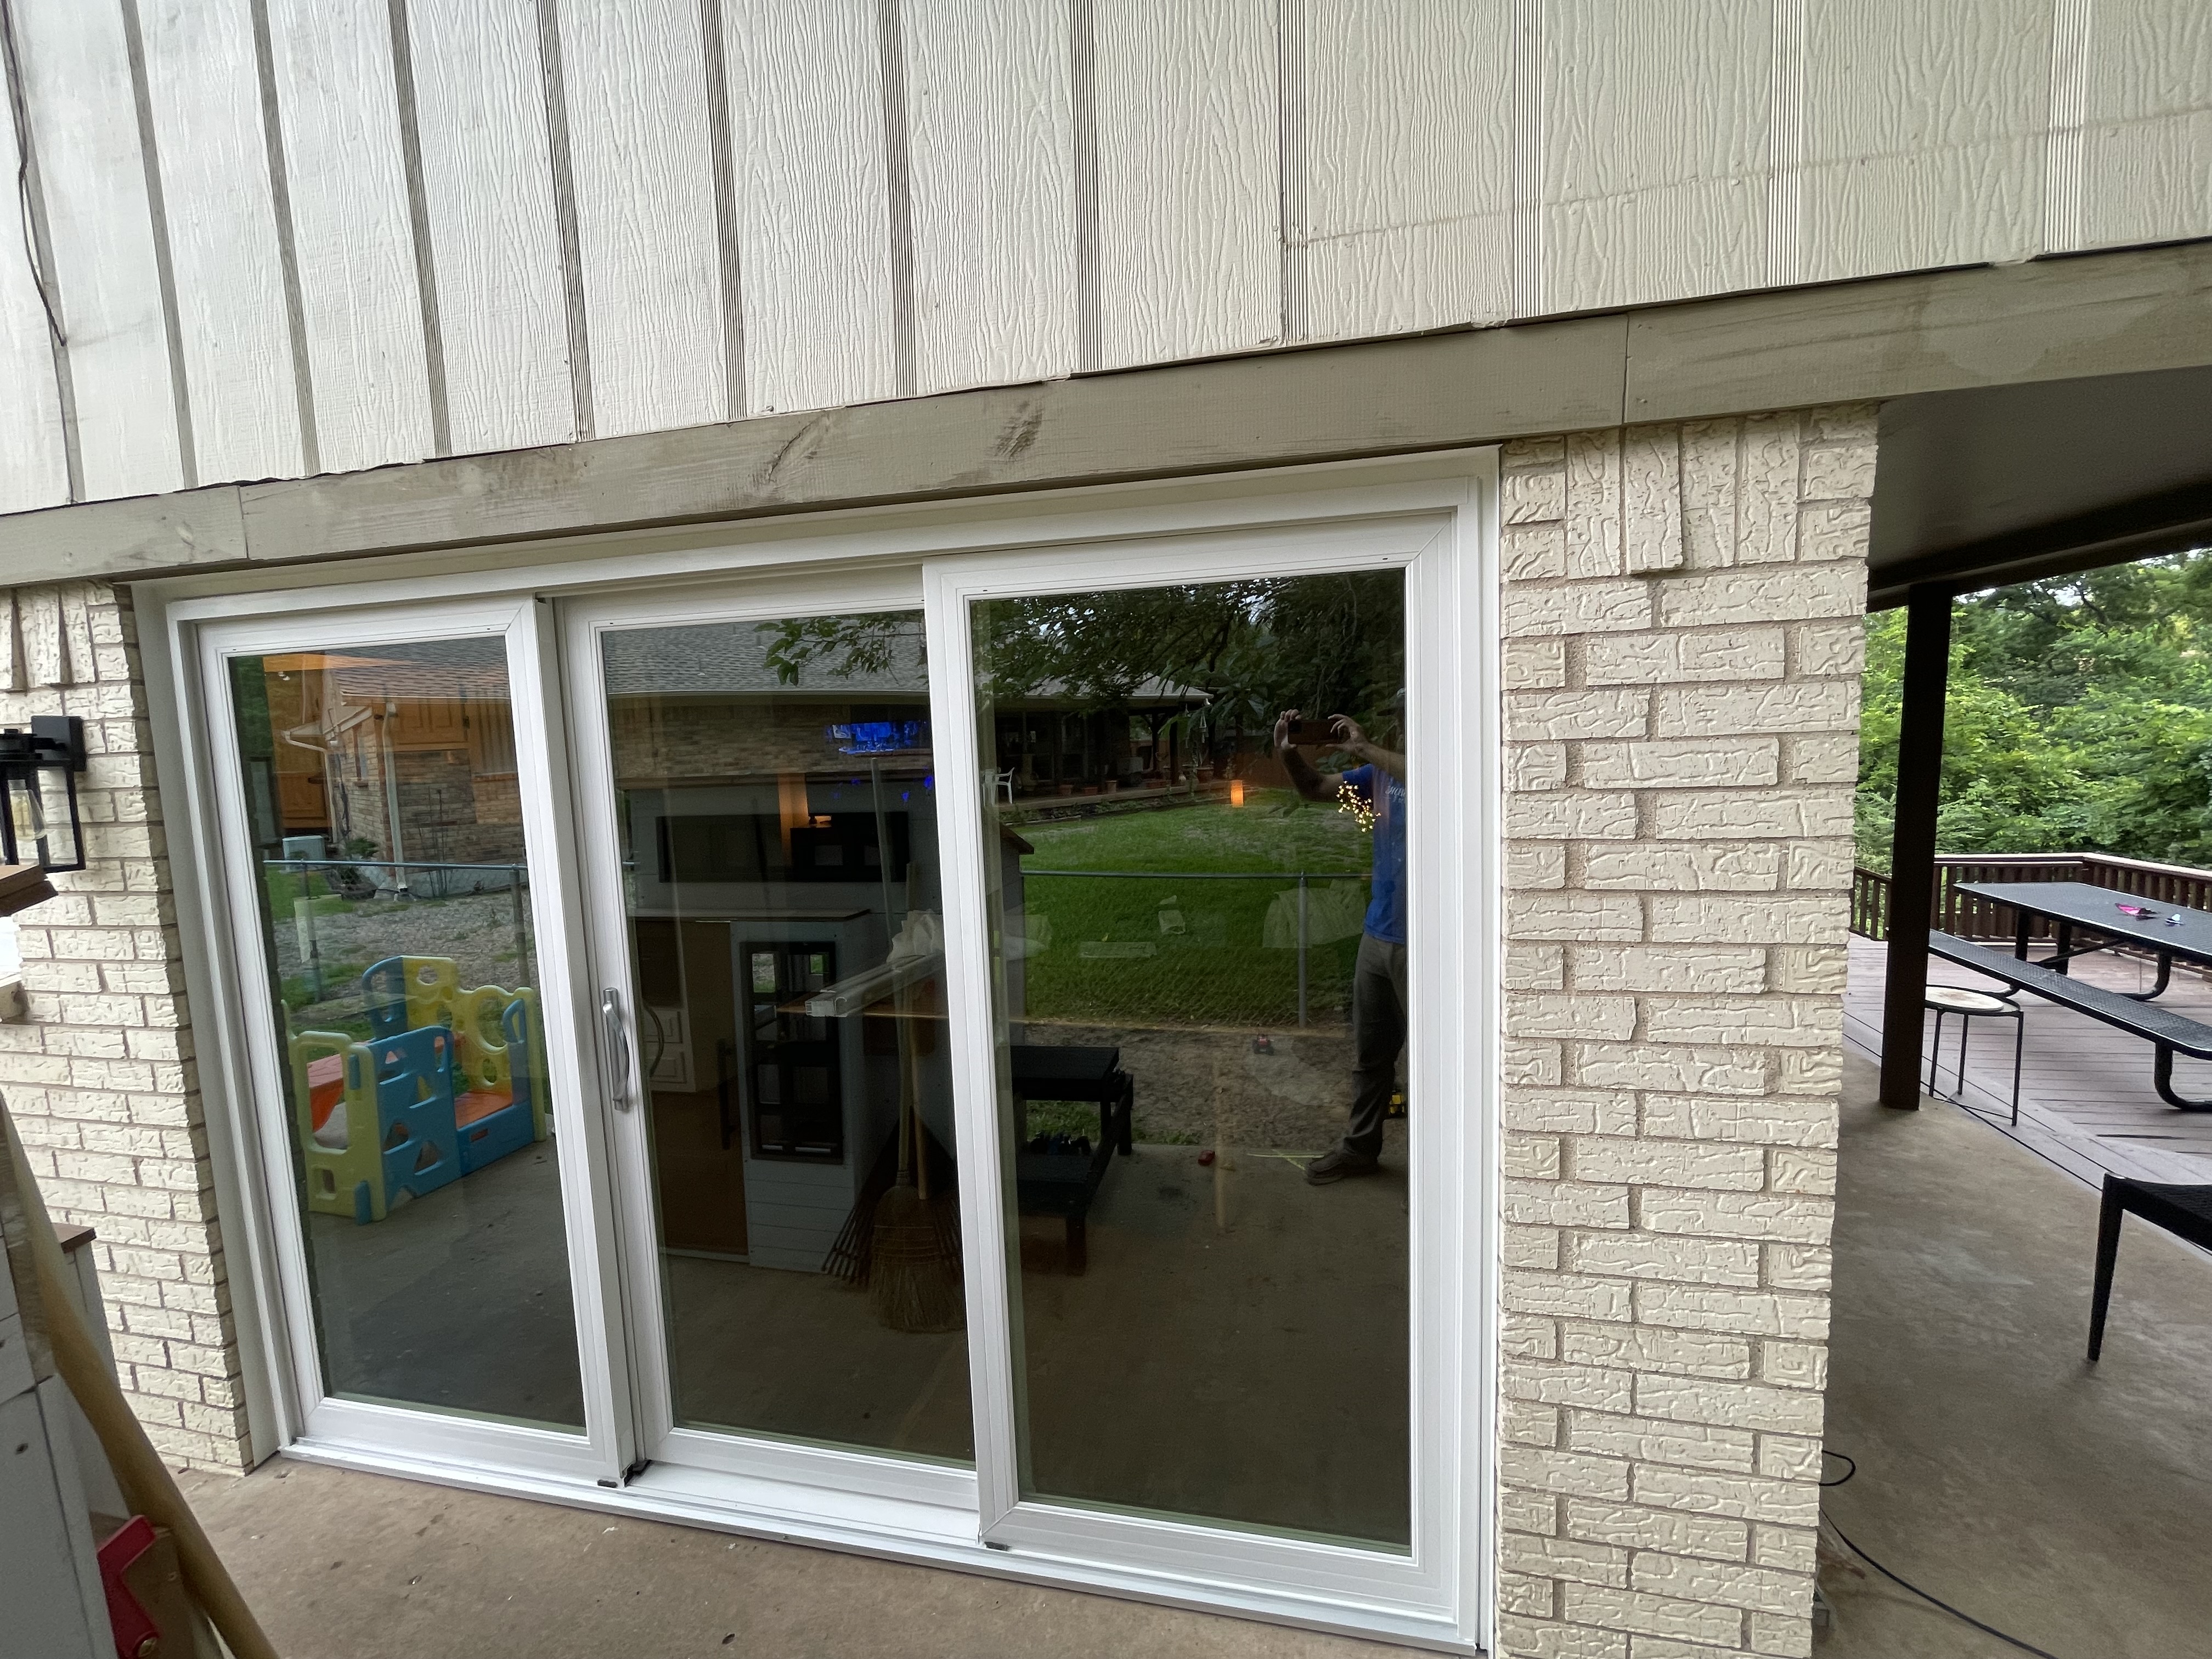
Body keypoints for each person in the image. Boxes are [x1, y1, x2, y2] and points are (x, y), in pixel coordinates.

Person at [1272, 702, 1406, 1184]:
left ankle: (1440, 1180)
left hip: (1428, 945)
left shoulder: (1443, 770)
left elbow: (1433, 784)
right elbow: (1313, 791)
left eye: (1407, 714)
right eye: (1399, 715)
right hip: (1378, 935)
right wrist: (1287, 754)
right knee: (1371, 1057)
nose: (1401, 722)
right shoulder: (1377, 780)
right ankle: (1359, 1150)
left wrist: (1366, 746)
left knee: (1437, 1062)